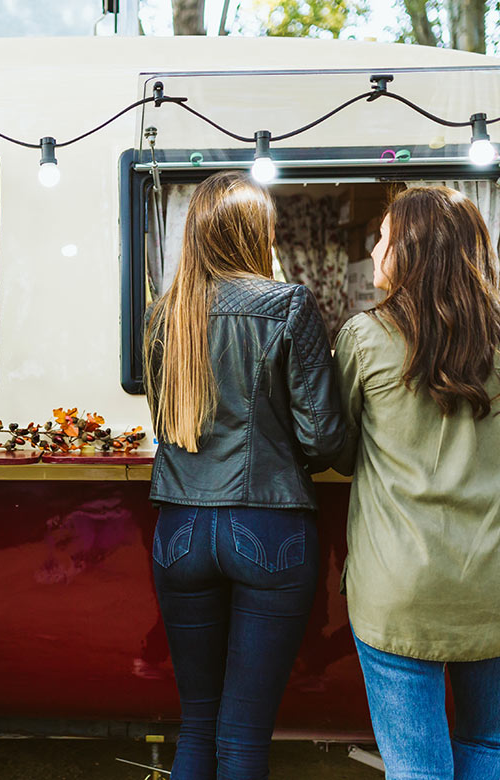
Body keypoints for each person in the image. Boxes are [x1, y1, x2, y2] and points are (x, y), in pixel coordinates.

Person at [143, 172, 346, 779]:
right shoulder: (287, 305)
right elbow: (323, 438)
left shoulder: (164, 314)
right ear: (258, 233)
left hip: (180, 530)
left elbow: (166, 421)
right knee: (243, 736)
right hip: (269, 527)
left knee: (197, 725)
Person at [334, 186, 500, 780]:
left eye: (383, 239)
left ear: (412, 252)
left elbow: (339, 449)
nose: (373, 251)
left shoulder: (365, 337)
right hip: (494, 582)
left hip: (399, 589)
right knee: (489, 743)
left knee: (418, 769)